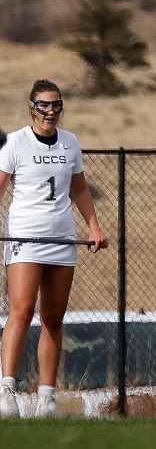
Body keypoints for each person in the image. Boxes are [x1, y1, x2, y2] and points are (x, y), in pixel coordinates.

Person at [0, 81, 107, 419]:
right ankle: (7, 392)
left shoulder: (70, 143)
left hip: (61, 239)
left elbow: (80, 189)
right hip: (25, 239)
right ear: (32, 108)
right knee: (21, 311)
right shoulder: (15, 143)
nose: (50, 112)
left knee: (53, 318)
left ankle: (46, 398)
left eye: (55, 105)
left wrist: (94, 227)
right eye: (43, 105)